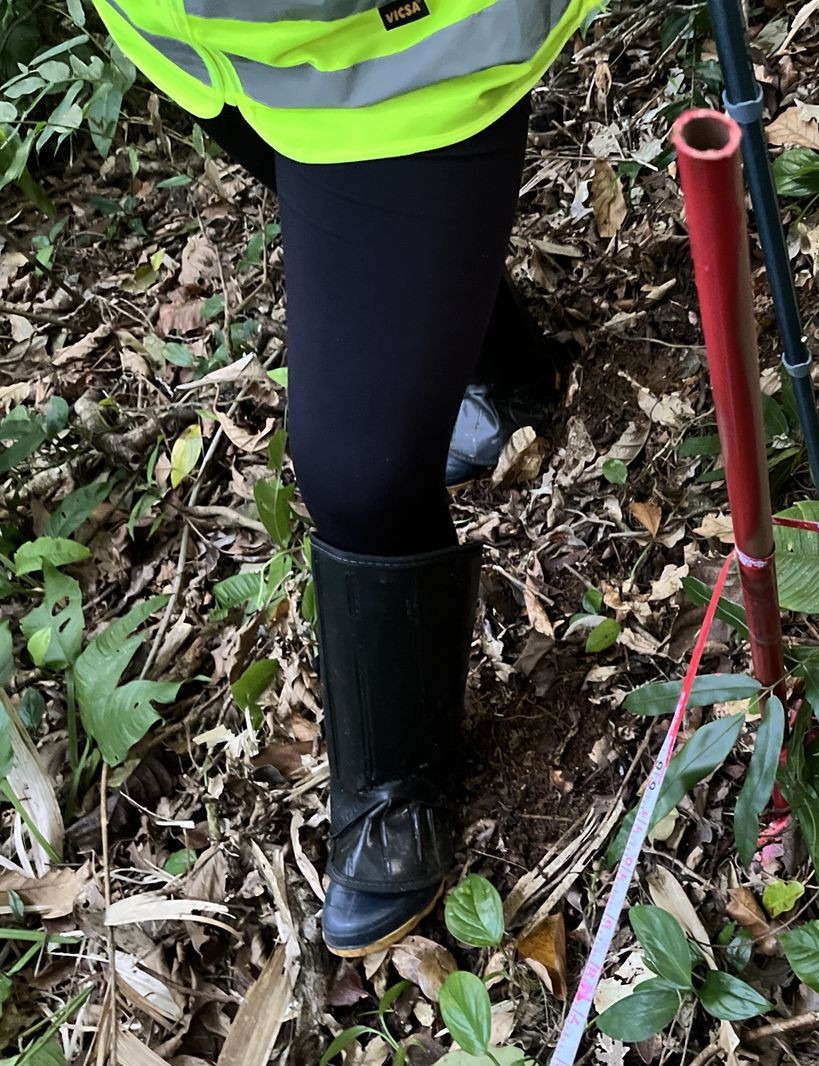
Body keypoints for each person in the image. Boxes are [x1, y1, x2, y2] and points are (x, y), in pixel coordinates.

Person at [87, 0, 600, 956]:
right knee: (385, 250)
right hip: (219, 48)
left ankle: (398, 788)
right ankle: (512, 372)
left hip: (405, 42)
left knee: (359, 474)